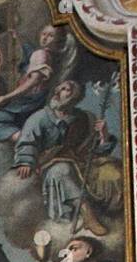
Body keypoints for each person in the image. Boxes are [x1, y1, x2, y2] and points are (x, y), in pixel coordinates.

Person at [13, 79, 119, 235]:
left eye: (65, 89)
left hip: (81, 164)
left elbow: (95, 152)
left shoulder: (85, 119)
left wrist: (103, 136)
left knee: (113, 172)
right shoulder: (40, 118)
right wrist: (26, 161)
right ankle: (88, 215)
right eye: (58, 88)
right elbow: (27, 142)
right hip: (50, 165)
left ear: (75, 96)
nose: (57, 91)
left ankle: (113, 215)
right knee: (62, 170)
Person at [0, 24, 74, 142]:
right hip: (36, 101)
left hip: (26, 102)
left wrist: (7, 97)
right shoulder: (49, 55)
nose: (45, 38)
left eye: (50, 36)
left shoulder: (41, 55)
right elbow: (30, 52)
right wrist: (18, 37)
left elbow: (33, 81)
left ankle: (25, 140)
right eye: (44, 34)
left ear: (58, 41)